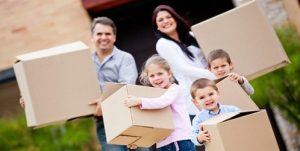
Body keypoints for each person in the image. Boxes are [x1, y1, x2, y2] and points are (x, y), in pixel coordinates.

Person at [87, 17, 151, 151]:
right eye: (99, 34)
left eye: (108, 34)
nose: (103, 37)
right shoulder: (85, 62)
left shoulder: (125, 58)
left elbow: (125, 86)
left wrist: (103, 101)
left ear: (114, 37)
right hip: (104, 122)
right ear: (92, 37)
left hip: (129, 116)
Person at [152, 5, 216, 120]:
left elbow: (207, 56)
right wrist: (212, 75)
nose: (165, 21)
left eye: (168, 17)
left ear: (175, 18)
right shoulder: (162, 44)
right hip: (194, 93)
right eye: (160, 20)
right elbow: (183, 68)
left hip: (212, 87)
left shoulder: (190, 35)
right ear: (157, 26)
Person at [125, 55, 195, 151]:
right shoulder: (153, 96)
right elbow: (148, 121)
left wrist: (139, 101)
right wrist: (138, 141)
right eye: (152, 76)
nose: (156, 78)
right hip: (162, 143)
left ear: (169, 73)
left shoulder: (174, 89)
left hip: (179, 140)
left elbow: (162, 102)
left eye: (160, 74)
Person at [190, 78, 240, 147]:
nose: (208, 99)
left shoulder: (232, 110)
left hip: (235, 143)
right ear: (195, 102)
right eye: (202, 97)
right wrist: (199, 138)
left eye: (211, 94)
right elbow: (193, 138)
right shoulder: (198, 119)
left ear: (218, 93)